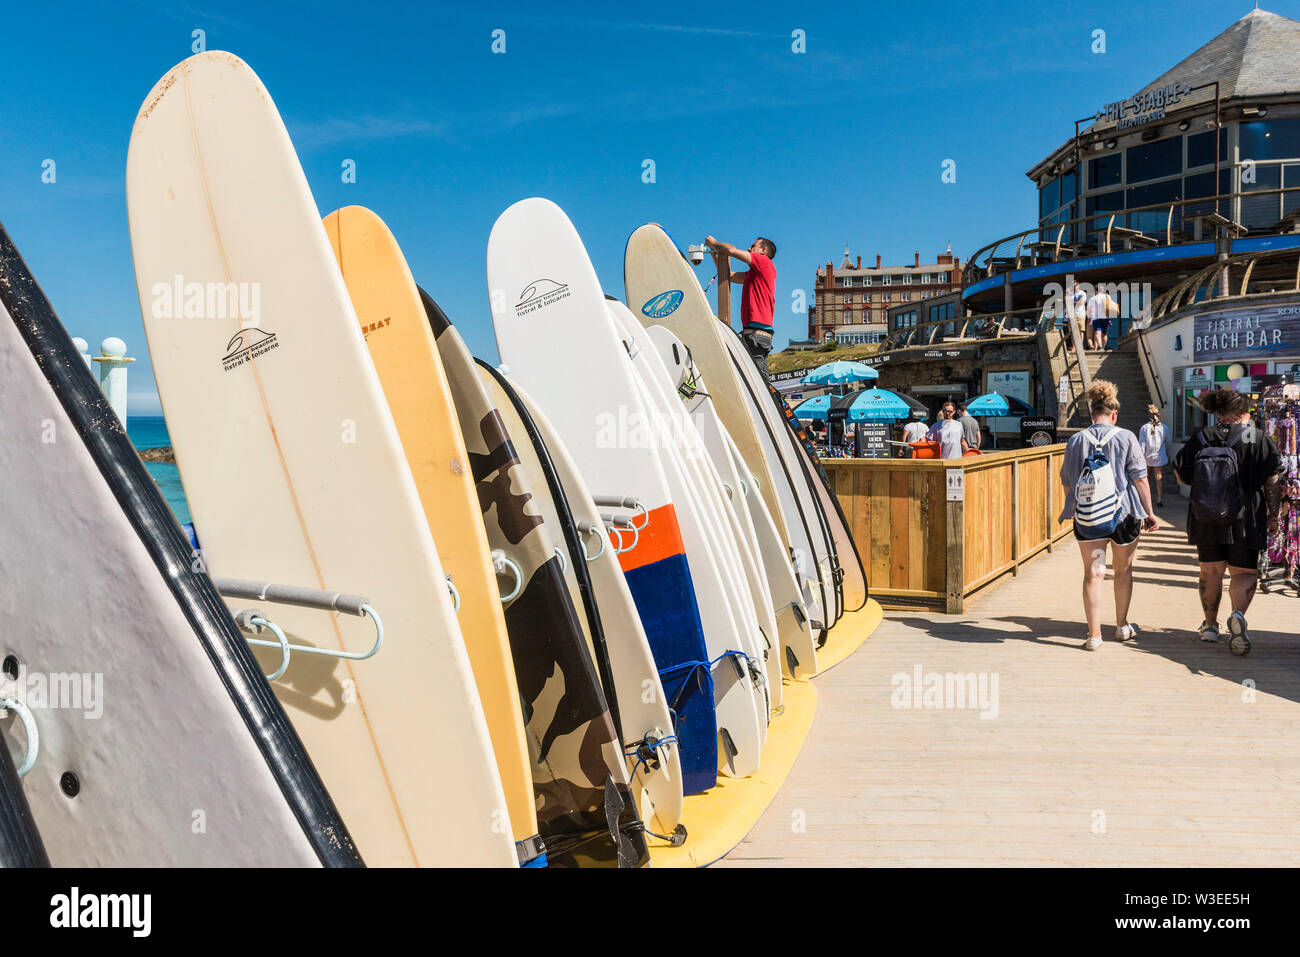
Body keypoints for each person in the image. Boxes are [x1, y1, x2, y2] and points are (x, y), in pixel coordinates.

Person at [1172, 388, 1282, 647]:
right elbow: (1273, 479)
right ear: (1243, 412)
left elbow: (1181, 472)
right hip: (1247, 516)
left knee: (1210, 571)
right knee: (1244, 572)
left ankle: (1210, 626)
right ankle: (1237, 616)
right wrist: (1274, 514)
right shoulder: (1257, 438)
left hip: (1205, 516)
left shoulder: (1201, 437)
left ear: (1219, 412)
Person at [1058, 381, 1158, 651]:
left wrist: (1075, 507)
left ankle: (1094, 636)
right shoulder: (1126, 437)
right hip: (1123, 516)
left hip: (1090, 518)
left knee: (1094, 573)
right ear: (1114, 414)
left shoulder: (1077, 440)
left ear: (1092, 413)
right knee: (1123, 570)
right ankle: (1122, 625)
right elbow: (1140, 480)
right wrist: (1149, 513)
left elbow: (1067, 481)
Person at [704, 235, 776, 378]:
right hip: (755, 333)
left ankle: (771, 400)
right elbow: (729, 275)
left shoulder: (763, 262)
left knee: (759, 380)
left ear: (763, 251)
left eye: (753, 246)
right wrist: (716, 258)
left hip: (757, 332)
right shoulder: (754, 274)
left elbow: (731, 250)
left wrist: (714, 244)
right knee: (755, 378)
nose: (749, 248)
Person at [1138, 404, 1172, 508]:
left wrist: (1140, 457)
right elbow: (1168, 442)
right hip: (1159, 456)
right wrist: (1165, 451)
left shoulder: (1144, 428)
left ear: (1148, 415)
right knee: (1158, 477)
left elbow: (1142, 444)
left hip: (1147, 456)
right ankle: (1159, 499)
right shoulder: (1164, 428)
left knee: (1146, 478)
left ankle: (1145, 499)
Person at [1086, 285, 1119, 351]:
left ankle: (1100, 347)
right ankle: (1103, 348)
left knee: (1097, 333)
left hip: (1096, 318)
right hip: (1105, 318)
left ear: (1095, 291)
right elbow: (1110, 306)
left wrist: (1089, 318)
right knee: (1104, 334)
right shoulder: (1107, 296)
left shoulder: (1092, 299)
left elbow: (1088, 310)